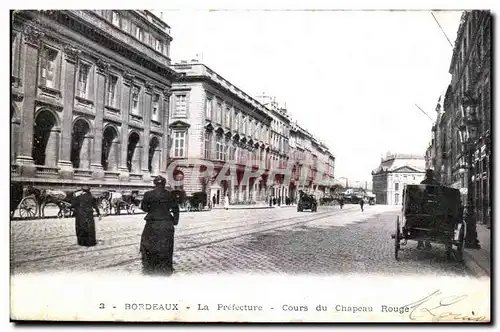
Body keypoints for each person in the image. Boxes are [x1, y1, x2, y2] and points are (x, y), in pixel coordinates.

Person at [140, 176, 180, 276]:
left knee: (150, 245)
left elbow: (143, 207)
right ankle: (165, 268)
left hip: (152, 224)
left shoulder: (148, 194)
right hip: (166, 223)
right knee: (166, 246)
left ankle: (150, 267)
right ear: (164, 184)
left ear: (154, 184)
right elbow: (176, 209)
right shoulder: (170, 195)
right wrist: (175, 221)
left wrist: (153, 211)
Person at [417, 169, 440, 249]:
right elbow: (439, 195)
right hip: (434, 208)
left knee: (420, 224)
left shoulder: (423, 183)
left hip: (424, 207)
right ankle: (427, 242)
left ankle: (420, 242)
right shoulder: (436, 183)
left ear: (426, 175)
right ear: (432, 175)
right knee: (431, 225)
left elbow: (420, 195)